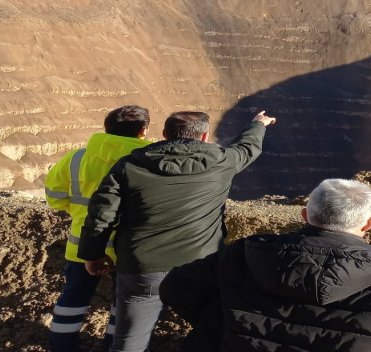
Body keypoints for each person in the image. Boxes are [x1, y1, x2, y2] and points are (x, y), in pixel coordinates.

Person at [161, 178, 371, 352]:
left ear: (305, 215)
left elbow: (176, 287)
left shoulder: (246, 252)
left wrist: (220, 323)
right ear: (369, 224)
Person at [77, 110, 276, 352]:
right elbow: (248, 148)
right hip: (201, 268)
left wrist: (92, 254)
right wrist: (257, 124)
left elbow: (101, 213)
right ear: (204, 136)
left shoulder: (130, 165)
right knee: (214, 332)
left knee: (129, 342)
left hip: (141, 268)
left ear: (164, 134)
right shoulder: (223, 161)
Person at [44, 104, 155, 352]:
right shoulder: (150, 162)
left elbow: (54, 196)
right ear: (143, 131)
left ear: (106, 129)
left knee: (73, 298)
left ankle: (62, 345)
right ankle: (112, 346)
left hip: (82, 245)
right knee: (123, 303)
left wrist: (78, 212)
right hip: (129, 249)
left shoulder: (75, 158)